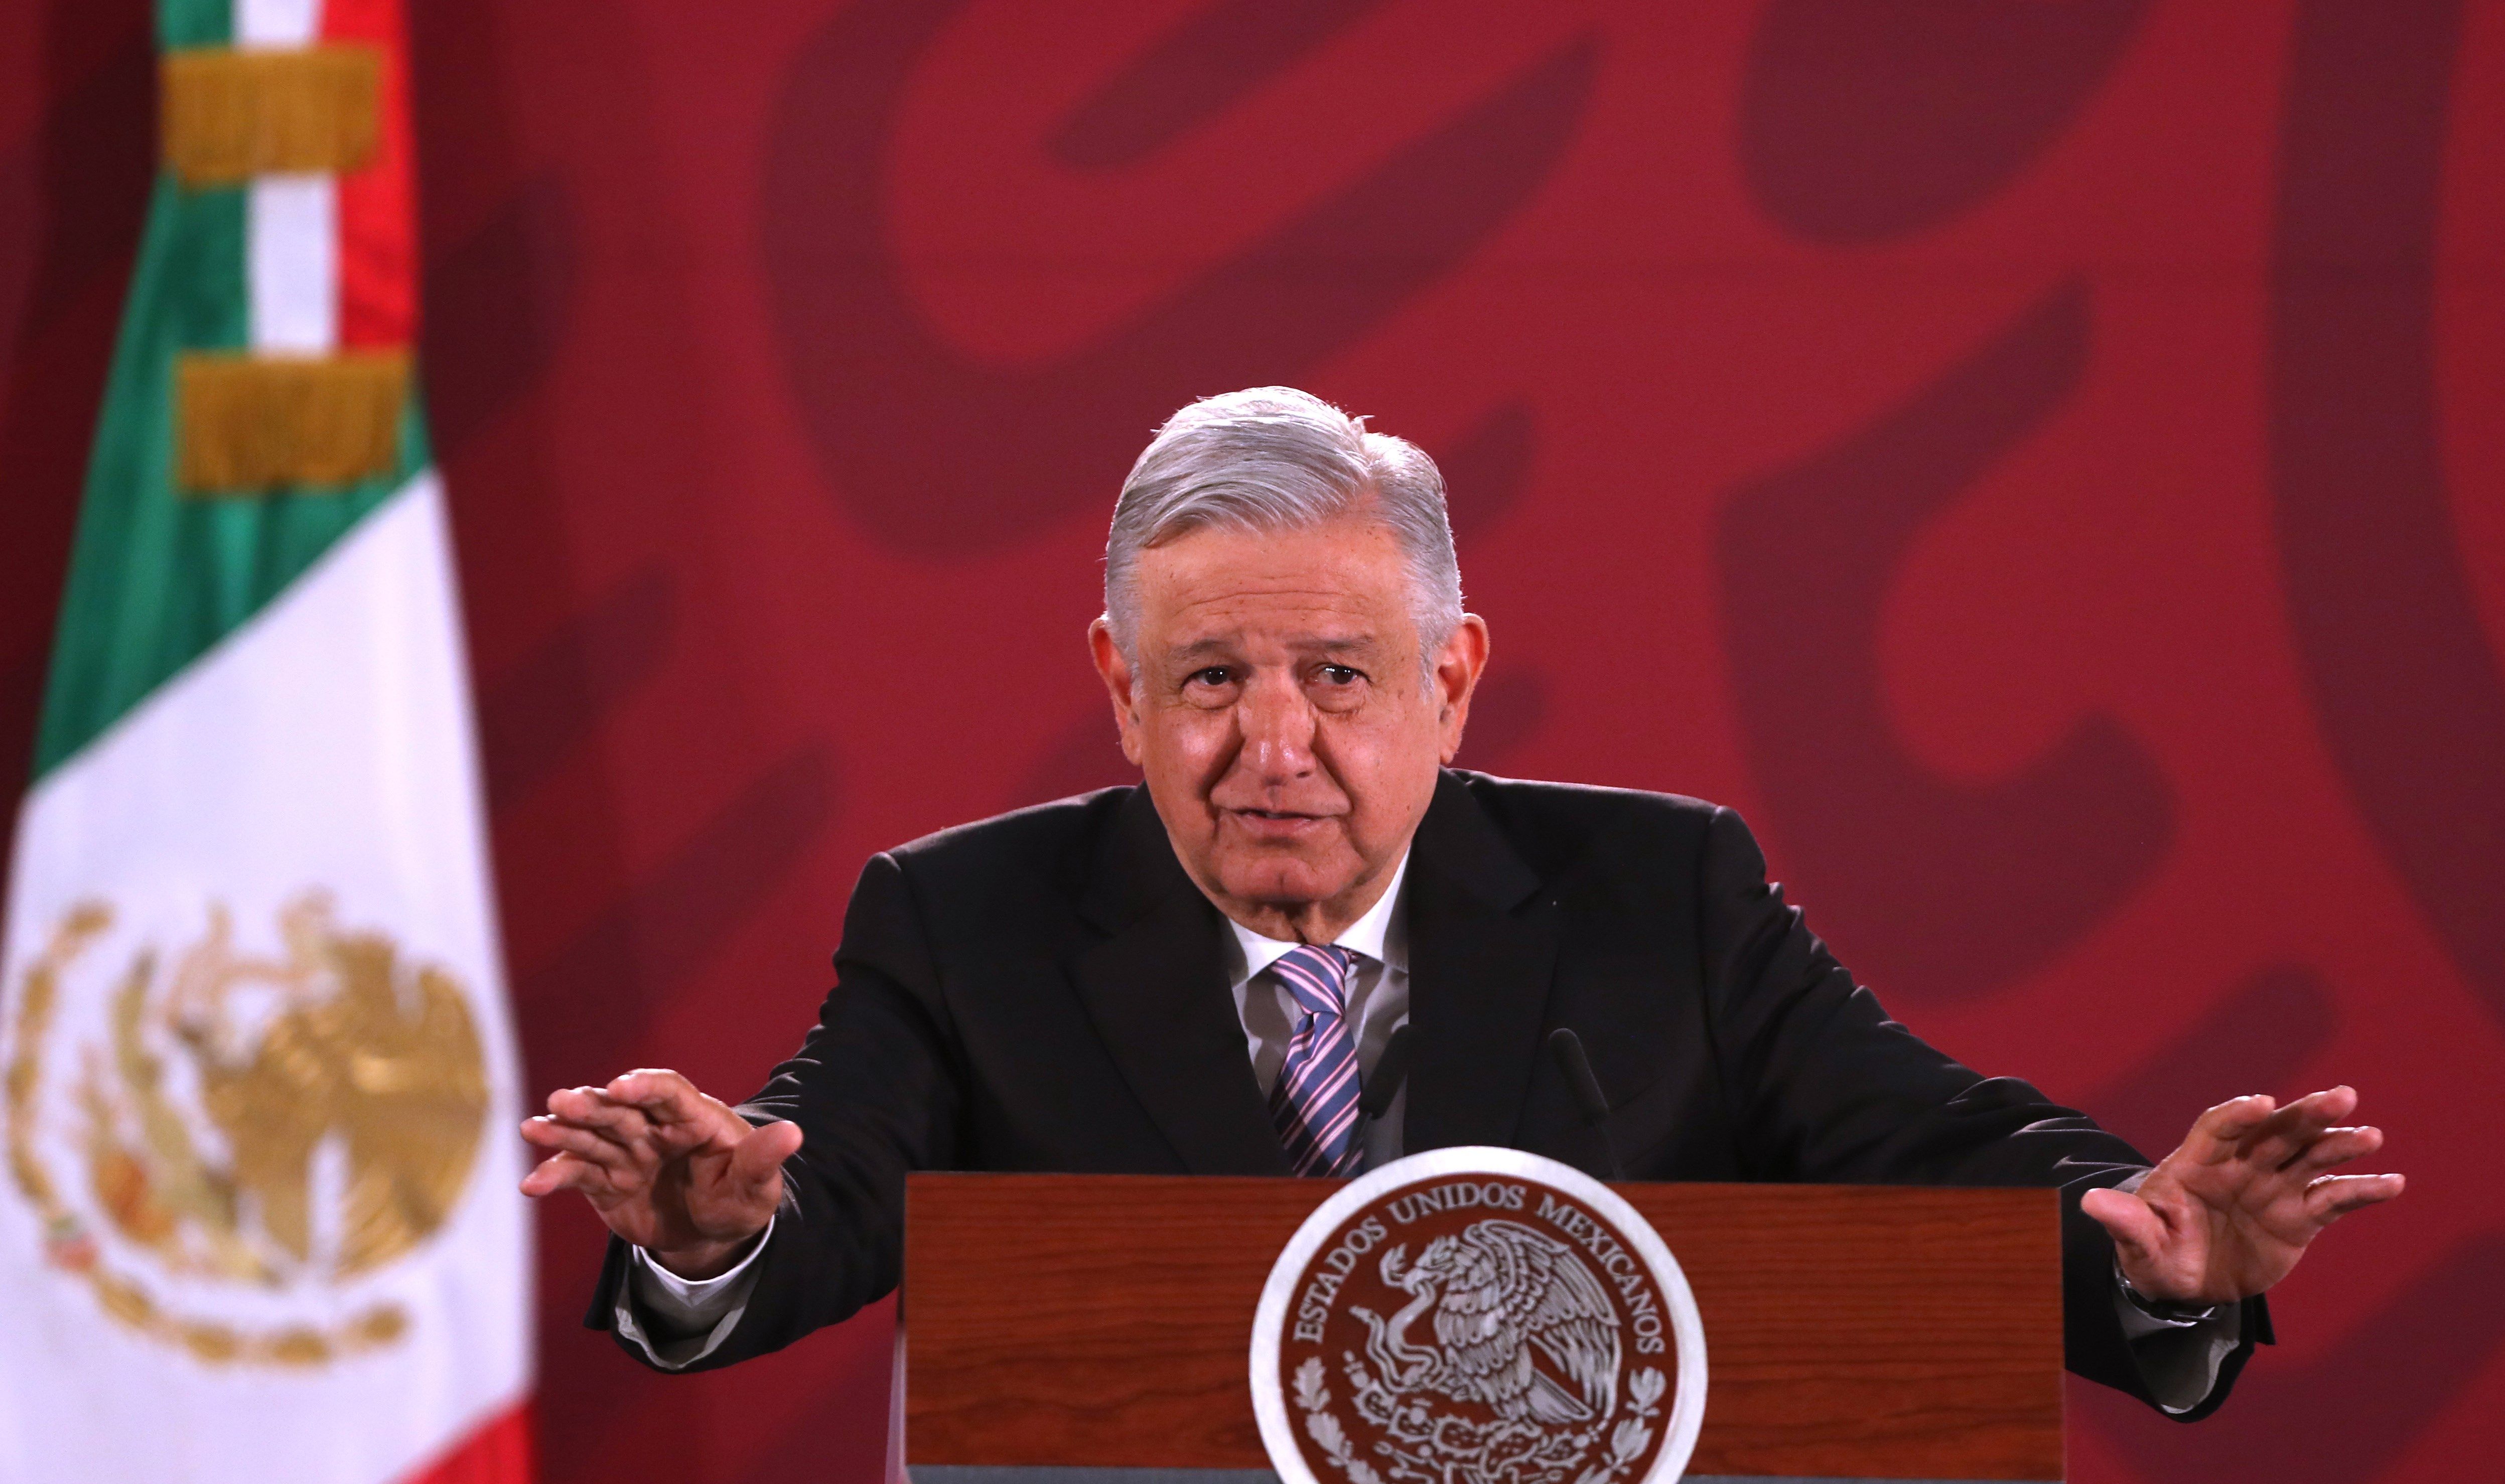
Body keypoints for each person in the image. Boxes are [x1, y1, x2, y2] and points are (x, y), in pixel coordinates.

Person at [520, 386, 2403, 1414]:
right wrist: (705, 1239)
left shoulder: (1661, 895)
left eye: (1337, 678)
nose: (1271, 747)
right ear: (1116, 688)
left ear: (1454, 678)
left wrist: (2138, 1244)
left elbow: (1923, 1143)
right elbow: (812, 1189)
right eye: (1204, 684)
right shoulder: (967, 925)